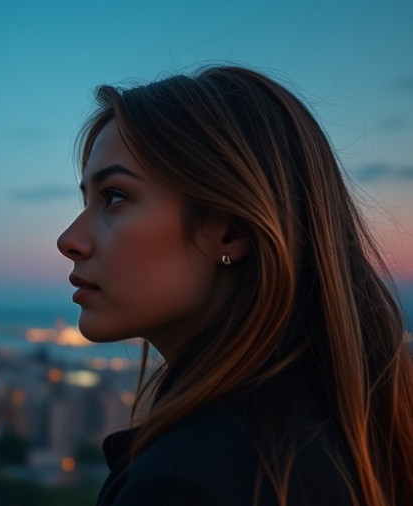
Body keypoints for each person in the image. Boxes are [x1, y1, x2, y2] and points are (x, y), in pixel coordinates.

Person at [56, 66, 413, 506]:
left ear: (229, 231)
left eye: (113, 196)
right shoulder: (348, 429)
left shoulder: (184, 482)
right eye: (85, 200)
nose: (68, 240)